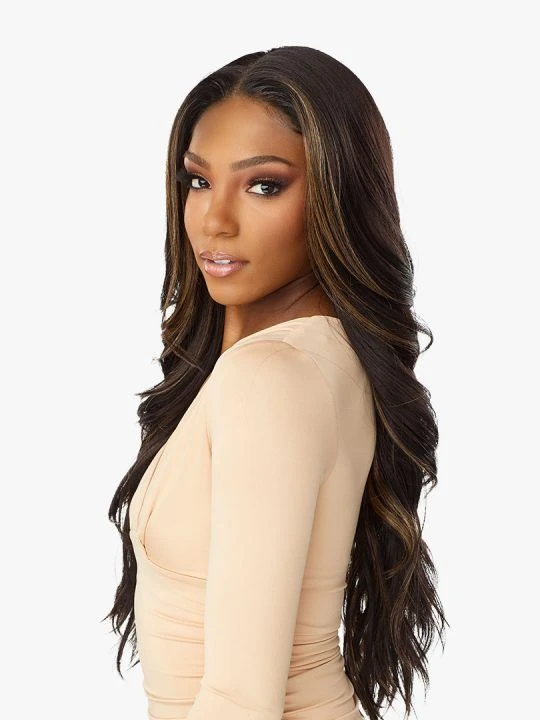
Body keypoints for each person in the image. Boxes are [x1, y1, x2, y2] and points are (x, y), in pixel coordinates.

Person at [103, 46, 448, 720]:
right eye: (198, 181)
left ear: (337, 198)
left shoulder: (268, 377)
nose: (215, 220)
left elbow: (241, 700)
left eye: (263, 185)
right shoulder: (315, 357)